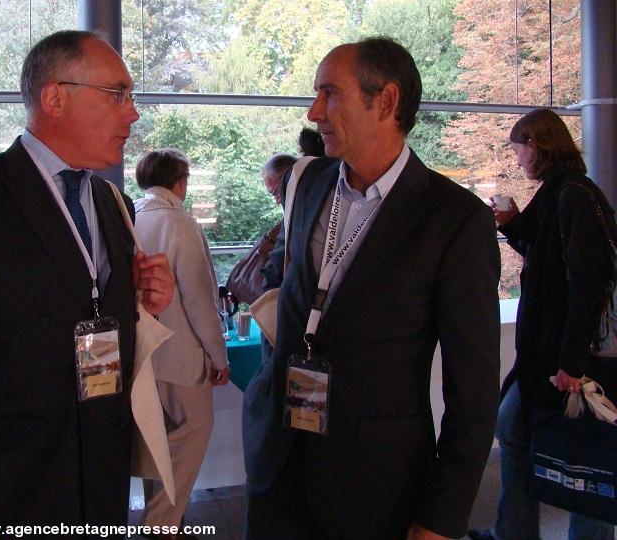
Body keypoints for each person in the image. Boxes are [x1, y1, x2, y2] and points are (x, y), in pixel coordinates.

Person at [0, 30, 175, 537]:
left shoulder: (115, 205)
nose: (133, 113)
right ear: (55, 98)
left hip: (100, 484)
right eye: (118, 94)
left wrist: (145, 305)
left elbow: (92, 317)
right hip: (9, 493)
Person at [242, 36, 501, 540]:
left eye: (329, 94)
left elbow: (473, 390)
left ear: (385, 101)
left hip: (374, 483)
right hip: (278, 462)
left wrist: (442, 517)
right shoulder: (310, 183)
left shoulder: (455, 219)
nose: (315, 111)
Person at [469, 109, 617, 540]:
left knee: (586, 455)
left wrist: (571, 362)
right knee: (527, 431)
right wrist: (513, 222)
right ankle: (513, 531)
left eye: (518, 150)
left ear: (536, 145)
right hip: (553, 354)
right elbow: (544, 246)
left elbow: (586, 281)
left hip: (568, 358)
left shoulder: (570, 196)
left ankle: (516, 532)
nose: (517, 160)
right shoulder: (564, 191)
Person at [132, 148, 230, 535]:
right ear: (180, 182)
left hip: (143, 355)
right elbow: (199, 300)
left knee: (157, 446)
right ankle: (159, 525)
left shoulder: (131, 217)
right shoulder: (180, 223)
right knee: (190, 442)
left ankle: (164, 522)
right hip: (184, 360)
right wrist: (218, 357)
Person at [225, 153, 297, 306]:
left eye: (276, 192)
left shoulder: (297, 220)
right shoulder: (290, 219)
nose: (277, 201)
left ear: (291, 178)